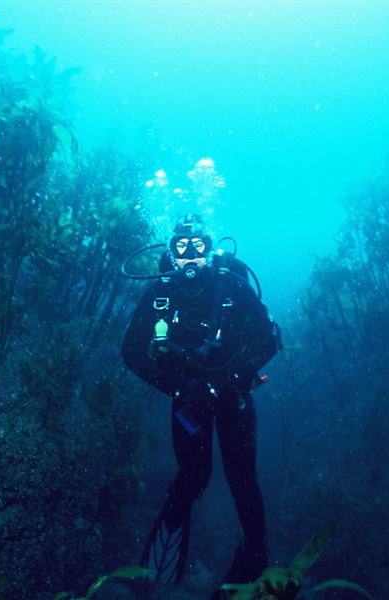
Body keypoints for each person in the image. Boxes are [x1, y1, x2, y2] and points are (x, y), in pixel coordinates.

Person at [121, 214, 279, 595]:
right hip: (188, 406)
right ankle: (153, 572)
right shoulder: (159, 293)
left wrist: (222, 383)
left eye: (198, 248)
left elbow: (269, 340)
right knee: (192, 478)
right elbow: (130, 351)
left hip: (233, 399)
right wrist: (178, 388)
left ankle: (252, 566)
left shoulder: (231, 285)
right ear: (171, 254)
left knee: (243, 480)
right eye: (181, 248)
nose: (190, 256)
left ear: (209, 251)